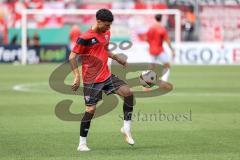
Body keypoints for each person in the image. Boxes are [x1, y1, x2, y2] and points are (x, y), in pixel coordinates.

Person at [69, 8, 135, 152]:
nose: (108, 28)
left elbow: (104, 50)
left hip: (106, 75)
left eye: (110, 25)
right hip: (91, 79)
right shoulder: (85, 37)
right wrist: (76, 76)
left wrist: (118, 58)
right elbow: (72, 57)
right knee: (90, 110)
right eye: (106, 25)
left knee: (128, 93)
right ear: (98, 21)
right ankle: (82, 143)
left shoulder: (106, 33)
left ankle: (126, 128)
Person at [146, 14, 175, 84]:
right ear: (161, 19)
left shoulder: (151, 28)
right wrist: (172, 50)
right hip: (159, 50)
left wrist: (151, 45)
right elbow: (167, 41)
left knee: (151, 68)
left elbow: (147, 39)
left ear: (155, 19)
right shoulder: (162, 29)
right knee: (167, 66)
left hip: (151, 50)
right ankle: (163, 82)